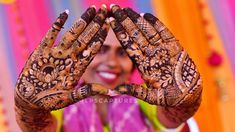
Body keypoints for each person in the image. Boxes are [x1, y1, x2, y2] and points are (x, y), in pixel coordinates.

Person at [14, 4, 202, 132]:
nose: (111, 62)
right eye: (101, 50)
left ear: (136, 64)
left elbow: (172, 118)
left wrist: (185, 104)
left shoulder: (150, 101)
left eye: (122, 54)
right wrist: (28, 110)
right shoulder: (57, 104)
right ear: (78, 58)